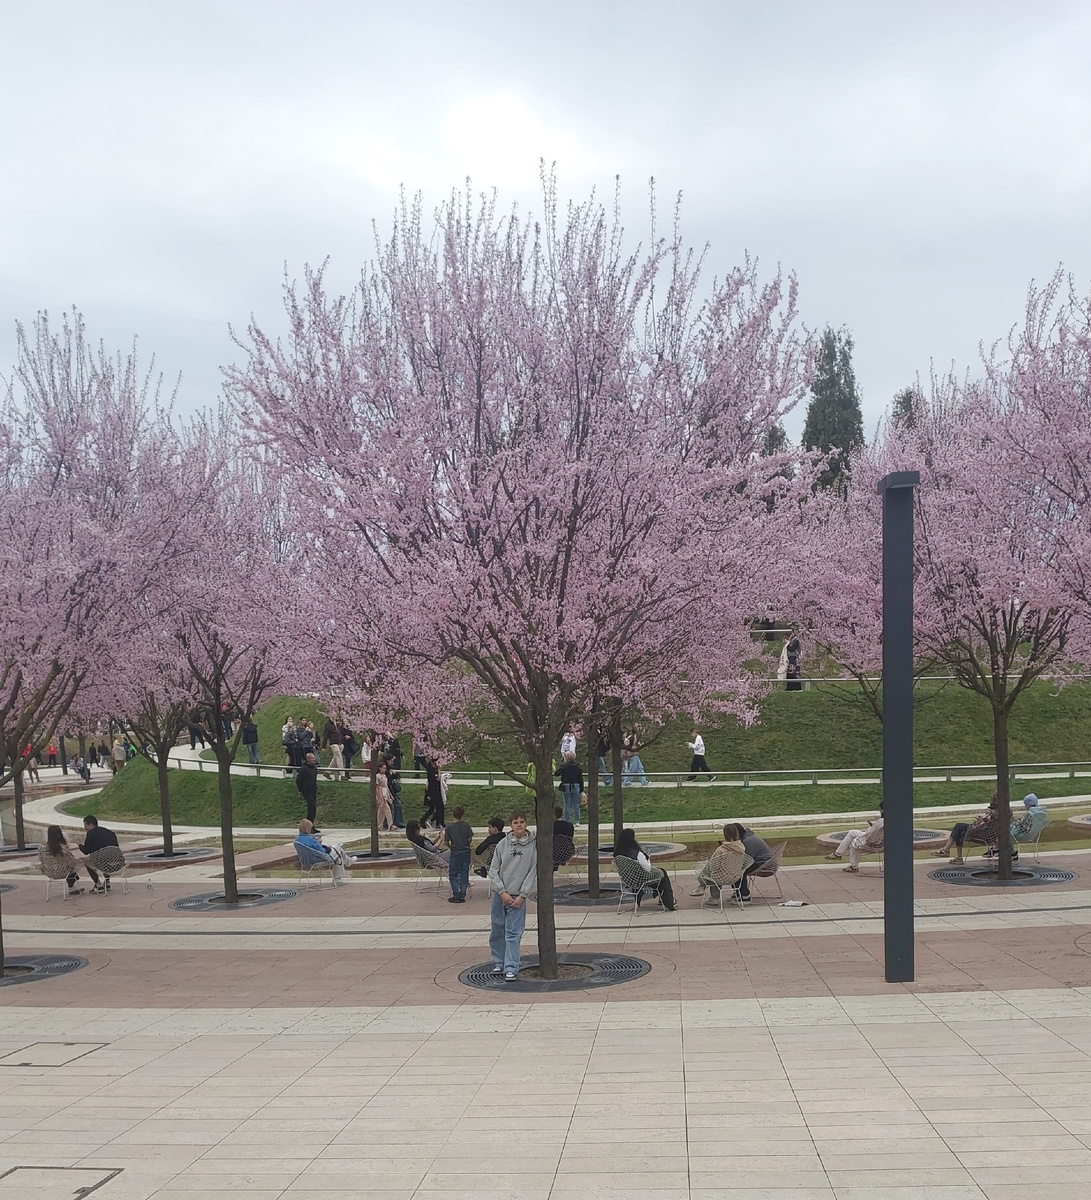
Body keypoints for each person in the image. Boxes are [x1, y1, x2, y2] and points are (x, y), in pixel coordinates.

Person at [488, 811, 537, 981]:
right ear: (511, 825)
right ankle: (499, 961)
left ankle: (511, 966)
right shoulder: (502, 844)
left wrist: (523, 895)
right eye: (516, 822)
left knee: (513, 933)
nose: (519, 825)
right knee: (497, 929)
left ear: (526, 824)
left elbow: (532, 872)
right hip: (500, 894)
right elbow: (493, 870)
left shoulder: (533, 846)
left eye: (522, 822)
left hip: (518, 897)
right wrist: (501, 891)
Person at [615, 827, 676, 910]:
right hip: (641, 879)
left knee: (660, 873)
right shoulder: (637, 853)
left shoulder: (618, 854)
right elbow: (647, 869)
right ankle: (669, 901)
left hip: (629, 879)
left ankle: (664, 898)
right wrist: (647, 858)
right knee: (662, 875)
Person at [690, 823, 748, 904]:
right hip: (736, 876)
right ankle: (703, 888)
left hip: (722, 877)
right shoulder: (741, 848)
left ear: (725, 834)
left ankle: (707, 891)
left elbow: (714, 866)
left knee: (711, 870)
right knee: (714, 870)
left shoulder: (721, 850)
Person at [933, 795, 998, 864]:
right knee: (959, 828)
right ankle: (948, 851)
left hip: (984, 835)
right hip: (993, 836)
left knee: (959, 828)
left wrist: (977, 820)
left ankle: (952, 853)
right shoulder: (1005, 813)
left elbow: (980, 825)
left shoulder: (992, 813)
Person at [826, 803, 885, 872]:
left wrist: (869, 828)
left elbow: (870, 836)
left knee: (853, 842)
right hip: (882, 843)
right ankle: (839, 853)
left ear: (882, 809)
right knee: (852, 832)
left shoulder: (881, 821)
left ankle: (851, 864)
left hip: (875, 844)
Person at [294, 819, 348, 884]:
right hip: (318, 861)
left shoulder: (298, 840)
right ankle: (346, 864)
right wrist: (318, 843)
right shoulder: (310, 840)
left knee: (338, 854)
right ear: (307, 829)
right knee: (338, 848)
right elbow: (322, 851)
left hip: (306, 862)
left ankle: (347, 861)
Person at [39, 825, 85, 896]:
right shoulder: (63, 848)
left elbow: (41, 859)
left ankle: (72, 886)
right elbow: (70, 861)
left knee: (71, 865)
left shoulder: (42, 849)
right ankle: (71, 886)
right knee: (73, 866)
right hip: (63, 872)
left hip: (49, 872)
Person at [78, 815, 120, 893]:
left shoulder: (91, 833)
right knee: (105, 857)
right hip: (117, 861)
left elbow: (86, 851)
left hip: (102, 862)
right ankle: (107, 882)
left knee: (87, 862)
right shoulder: (110, 832)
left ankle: (98, 884)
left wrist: (79, 845)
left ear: (91, 825)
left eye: (85, 826)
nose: (85, 828)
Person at [444, 805, 474, 903]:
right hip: (465, 852)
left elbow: (446, 842)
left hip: (455, 852)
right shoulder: (466, 825)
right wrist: (466, 844)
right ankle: (462, 895)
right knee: (464, 874)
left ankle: (456, 894)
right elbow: (470, 838)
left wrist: (451, 847)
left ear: (453, 814)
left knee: (453, 874)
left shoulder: (449, 827)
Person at [555, 752, 583, 825]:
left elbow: (556, 773)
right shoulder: (577, 767)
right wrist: (581, 789)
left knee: (567, 804)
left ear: (566, 757)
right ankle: (577, 821)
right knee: (576, 804)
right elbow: (580, 779)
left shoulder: (564, 766)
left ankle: (567, 820)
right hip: (576, 786)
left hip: (566, 785)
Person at [422, 757, 445, 829]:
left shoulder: (434, 769)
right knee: (436, 807)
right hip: (433, 792)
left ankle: (439, 822)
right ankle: (436, 823)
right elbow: (437, 778)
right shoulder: (431, 770)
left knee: (439, 807)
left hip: (437, 790)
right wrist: (439, 770)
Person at [383, 753, 406, 828]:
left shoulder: (390, 768)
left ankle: (390, 822)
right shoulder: (385, 771)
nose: (392, 763)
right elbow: (387, 783)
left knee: (392, 806)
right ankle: (394, 822)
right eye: (391, 761)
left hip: (391, 790)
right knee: (393, 806)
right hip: (388, 790)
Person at [295, 751, 319, 823]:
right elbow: (298, 780)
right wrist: (301, 789)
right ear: (308, 759)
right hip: (306, 790)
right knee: (311, 807)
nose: (314, 760)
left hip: (313, 790)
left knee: (313, 808)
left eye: (314, 758)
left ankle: (311, 825)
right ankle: (308, 825)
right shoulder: (304, 768)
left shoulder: (314, 767)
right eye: (312, 758)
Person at [375, 762, 394, 831]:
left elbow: (386, 786)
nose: (385, 770)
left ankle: (379, 826)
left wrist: (390, 795)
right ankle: (390, 824)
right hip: (381, 793)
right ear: (379, 768)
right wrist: (379, 797)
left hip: (385, 792)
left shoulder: (385, 776)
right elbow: (377, 787)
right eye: (383, 768)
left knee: (381, 811)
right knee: (387, 809)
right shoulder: (377, 776)